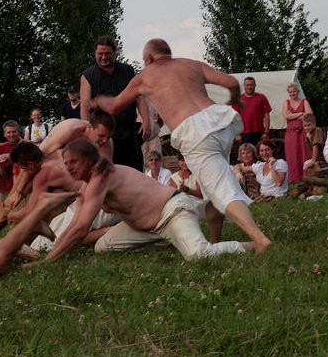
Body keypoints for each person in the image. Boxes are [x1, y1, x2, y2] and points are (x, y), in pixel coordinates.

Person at [91, 38, 271, 252]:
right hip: (220, 123)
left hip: (196, 133)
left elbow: (114, 106)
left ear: (149, 58)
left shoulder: (145, 76)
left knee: (222, 190)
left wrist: (97, 101)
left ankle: (260, 240)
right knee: (211, 189)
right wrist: (234, 100)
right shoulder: (191, 64)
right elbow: (232, 83)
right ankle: (215, 240)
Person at [46, 139, 253, 262]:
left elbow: (81, 228)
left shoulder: (101, 176)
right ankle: (168, 246)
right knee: (103, 246)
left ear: (88, 159)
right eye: (66, 163)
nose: (69, 167)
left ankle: (252, 246)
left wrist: (49, 261)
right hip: (146, 228)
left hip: (172, 211)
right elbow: (75, 224)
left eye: (73, 162)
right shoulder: (88, 185)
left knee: (199, 255)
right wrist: (52, 253)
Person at [0, 113, 116, 246]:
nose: (104, 140)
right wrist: (19, 191)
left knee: (44, 212)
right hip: (38, 168)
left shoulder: (106, 147)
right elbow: (36, 157)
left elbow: (99, 181)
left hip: (62, 183)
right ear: (89, 127)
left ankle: (20, 244)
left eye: (108, 137)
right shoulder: (69, 129)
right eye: (101, 136)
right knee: (10, 204)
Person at [80, 35, 150, 171]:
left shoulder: (128, 71)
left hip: (129, 132)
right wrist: (87, 133)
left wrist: (146, 120)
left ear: (114, 53)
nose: (104, 57)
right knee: (106, 172)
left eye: (107, 53)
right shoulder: (88, 76)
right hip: (103, 136)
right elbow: (85, 107)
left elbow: (139, 97)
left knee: (133, 171)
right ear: (95, 53)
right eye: (100, 54)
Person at [281, 83, 312, 183]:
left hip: (302, 132)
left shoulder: (304, 101)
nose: (292, 93)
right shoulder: (286, 102)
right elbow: (286, 116)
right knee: (292, 156)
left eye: (294, 91)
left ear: (298, 92)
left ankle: (307, 176)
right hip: (290, 134)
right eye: (290, 92)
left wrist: (293, 115)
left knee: (305, 154)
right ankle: (294, 179)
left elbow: (309, 115)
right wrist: (300, 114)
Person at [233, 76, 272, 146]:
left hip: (259, 133)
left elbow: (266, 115)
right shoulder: (238, 99)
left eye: (251, 85)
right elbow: (234, 117)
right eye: (247, 85)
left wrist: (266, 132)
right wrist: (237, 133)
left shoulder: (261, 97)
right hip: (243, 134)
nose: (249, 87)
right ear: (244, 86)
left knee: (260, 152)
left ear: (255, 85)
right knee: (246, 152)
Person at [0, 120, 22, 193]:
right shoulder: (2, 148)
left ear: (18, 132)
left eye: (14, 132)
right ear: (4, 134)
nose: (11, 135)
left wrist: (10, 156)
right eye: (9, 132)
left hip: (24, 184)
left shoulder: (25, 145)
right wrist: (0, 164)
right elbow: (3, 175)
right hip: (8, 188)